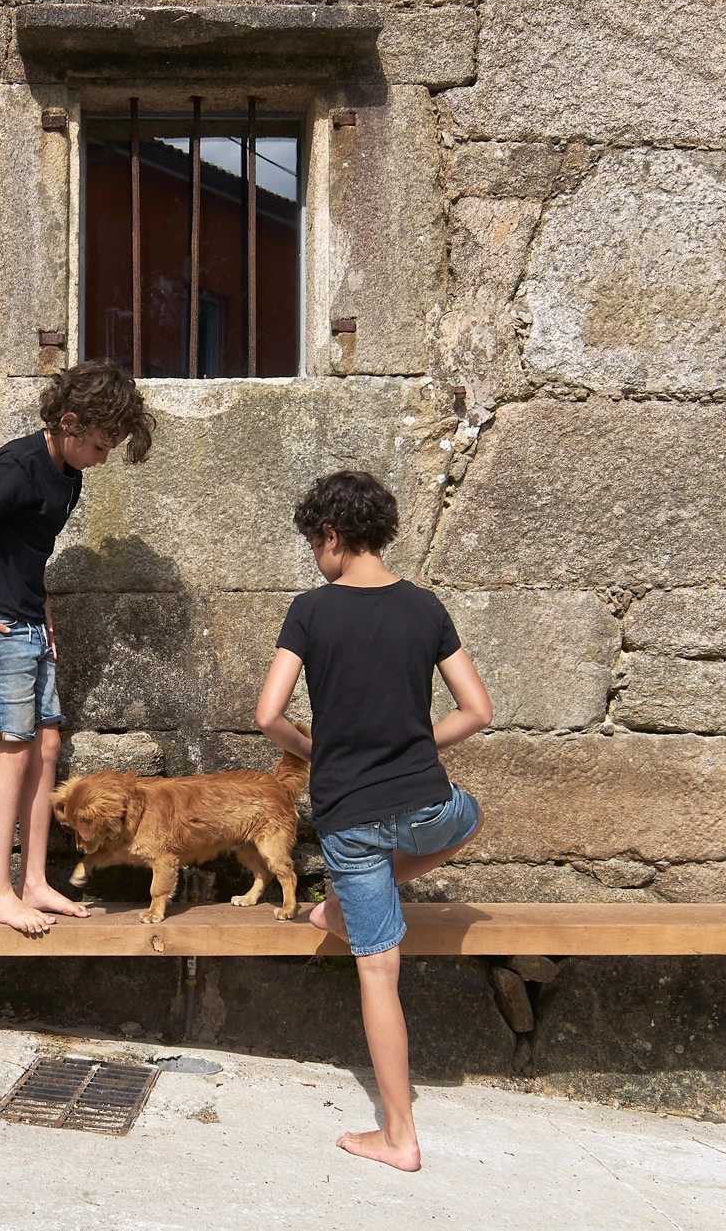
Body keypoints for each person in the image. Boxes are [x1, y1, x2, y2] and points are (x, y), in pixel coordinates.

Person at [254, 469, 493, 1172]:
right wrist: (417, 744)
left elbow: (268, 714)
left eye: (314, 545)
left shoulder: (310, 610)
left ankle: (399, 1135)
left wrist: (314, 747)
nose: (314, 561)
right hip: (429, 809)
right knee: (469, 814)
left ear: (332, 536)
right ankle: (349, 904)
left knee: (378, 965)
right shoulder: (426, 607)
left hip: (350, 818)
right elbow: (477, 710)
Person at [0, 360, 154, 937]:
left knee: (47, 745)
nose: (103, 458)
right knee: (14, 750)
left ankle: (33, 882)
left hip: (30, 624)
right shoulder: (17, 467)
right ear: (70, 421)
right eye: (101, 445)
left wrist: (45, 614)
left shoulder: (68, 478)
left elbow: (27, 554)